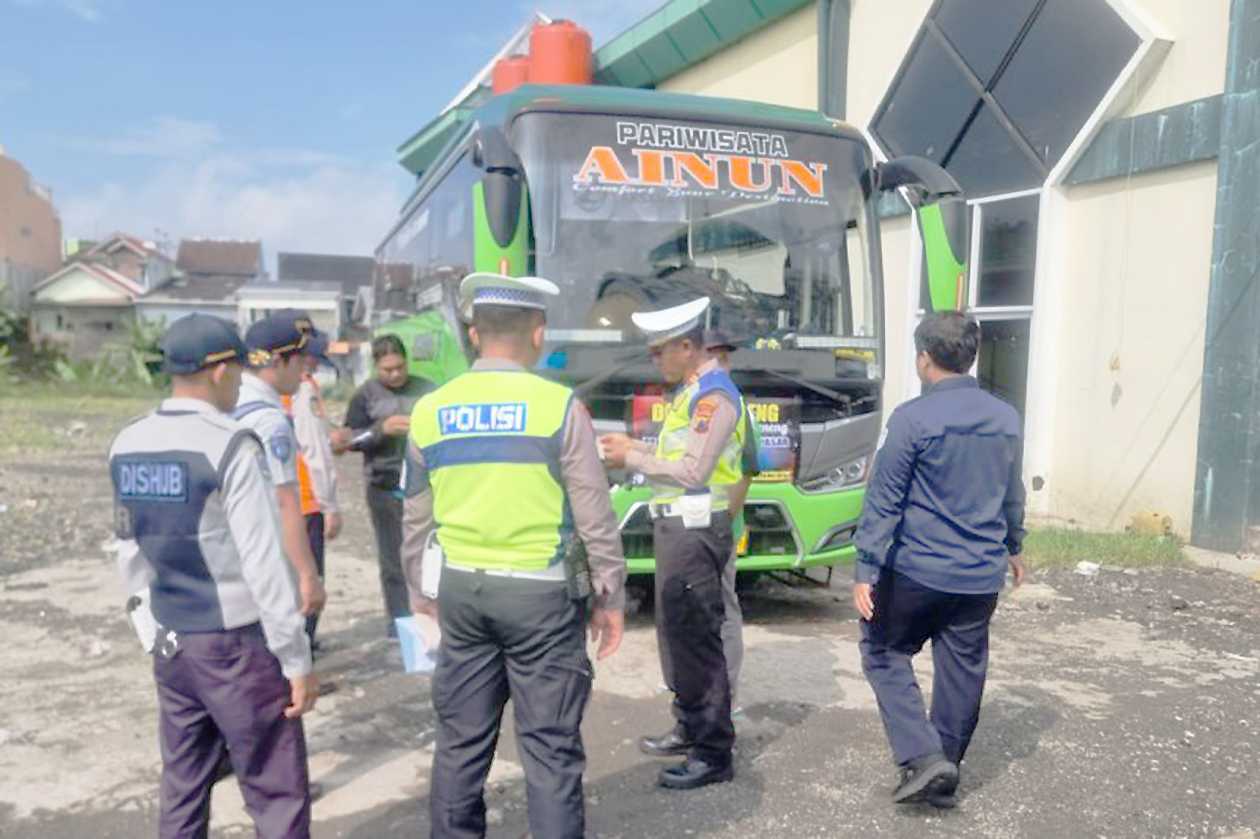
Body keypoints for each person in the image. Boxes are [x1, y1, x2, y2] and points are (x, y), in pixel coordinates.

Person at [400, 272, 626, 839]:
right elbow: (594, 514)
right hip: (541, 598)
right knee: (549, 750)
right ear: (538, 333)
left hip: (460, 594)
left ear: (474, 335)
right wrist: (610, 596)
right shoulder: (558, 406)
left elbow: (415, 519)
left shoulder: (431, 410)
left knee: (459, 744)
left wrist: (419, 596)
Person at [108, 314, 317, 838]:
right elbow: (264, 563)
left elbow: (127, 549)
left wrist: (150, 630)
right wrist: (295, 657)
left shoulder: (127, 441)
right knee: (275, 789)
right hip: (236, 645)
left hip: (172, 641)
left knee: (183, 783)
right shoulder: (230, 444)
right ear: (221, 371)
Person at [853, 310, 1027, 808]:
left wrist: (866, 568)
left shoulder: (911, 419)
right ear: (970, 358)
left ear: (923, 358)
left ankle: (925, 759)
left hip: (917, 571)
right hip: (978, 577)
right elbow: (1010, 492)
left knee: (883, 651)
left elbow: (884, 499)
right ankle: (943, 768)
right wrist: (1014, 545)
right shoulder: (1006, 418)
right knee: (962, 668)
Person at [600, 297, 746, 791]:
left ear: (688, 346)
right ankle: (689, 727)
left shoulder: (713, 398)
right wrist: (632, 449)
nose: (654, 359)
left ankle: (712, 752)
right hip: (676, 528)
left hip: (696, 529)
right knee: (677, 637)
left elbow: (693, 470)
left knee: (699, 641)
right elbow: (675, 456)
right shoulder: (689, 393)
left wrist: (635, 459)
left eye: (660, 350)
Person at [331, 334, 432, 636]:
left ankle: (434, 621)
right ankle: (400, 626)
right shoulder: (365, 396)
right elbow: (348, 442)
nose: (396, 374)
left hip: (426, 487)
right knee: (394, 560)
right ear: (376, 367)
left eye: (400, 367)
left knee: (429, 557)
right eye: (387, 370)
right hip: (383, 487)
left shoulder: (427, 389)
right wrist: (381, 430)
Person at [233, 311, 327, 622]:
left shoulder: (229, 401)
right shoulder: (270, 421)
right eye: (299, 362)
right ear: (276, 361)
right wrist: (307, 574)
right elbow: (286, 502)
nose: (303, 373)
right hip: (262, 550)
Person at [704, 328, 760, 712]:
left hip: (717, 525)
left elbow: (747, 469)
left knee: (722, 611)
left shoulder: (732, 403)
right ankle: (700, 693)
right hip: (691, 527)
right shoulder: (696, 400)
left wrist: (727, 520)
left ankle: (724, 698)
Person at [283, 328, 342, 650]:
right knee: (310, 579)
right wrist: (330, 505)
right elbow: (315, 452)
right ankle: (301, 651)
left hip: (281, 501)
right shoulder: (304, 391)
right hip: (307, 499)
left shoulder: (269, 391)